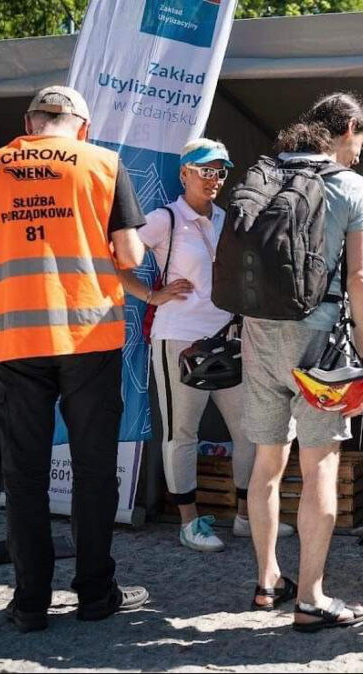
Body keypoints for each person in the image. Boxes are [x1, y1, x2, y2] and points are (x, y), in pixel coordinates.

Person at [0, 86, 150, 632]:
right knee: (93, 470)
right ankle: (95, 594)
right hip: (87, 337)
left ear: (29, 122)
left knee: (24, 475)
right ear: (82, 126)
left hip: (15, 340)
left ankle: (30, 603)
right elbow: (130, 254)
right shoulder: (103, 164)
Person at [241, 92, 363, 630]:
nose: (360, 153)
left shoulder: (267, 171)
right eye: (361, 141)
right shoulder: (351, 186)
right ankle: (311, 597)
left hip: (258, 331)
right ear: (348, 128)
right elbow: (361, 276)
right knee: (320, 463)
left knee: (267, 463)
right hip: (318, 339)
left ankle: (266, 581)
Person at [115, 138, 293, 552]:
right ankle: (189, 522)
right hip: (179, 336)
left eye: (220, 171)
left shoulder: (227, 218)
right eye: (205, 170)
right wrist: (150, 295)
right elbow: (116, 258)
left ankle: (247, 517)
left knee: (249, 430)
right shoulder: (165, 218)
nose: (214, 179)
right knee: (182, 433)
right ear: (185, 174)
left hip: (227, 338)